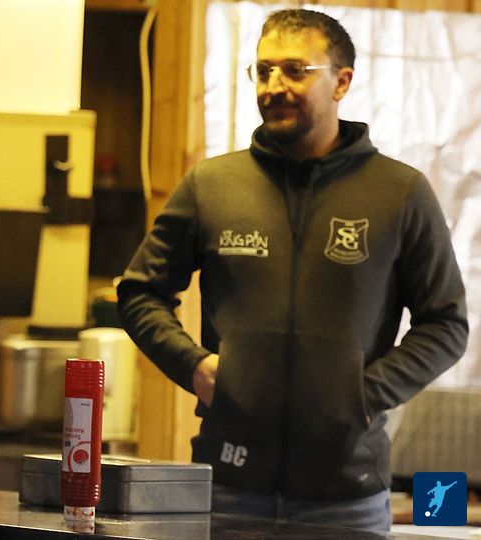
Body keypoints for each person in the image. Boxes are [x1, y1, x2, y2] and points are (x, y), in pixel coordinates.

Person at [117, 8, 467, 533]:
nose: (274, 85)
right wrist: (195, 367)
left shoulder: (400, 193)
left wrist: (365, 394)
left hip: (346, 501)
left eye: (295, 70)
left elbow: (446, 323)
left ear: (341, 82)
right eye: (263, 71)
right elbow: (140, 292)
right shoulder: (212, 186)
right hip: (227, 491)